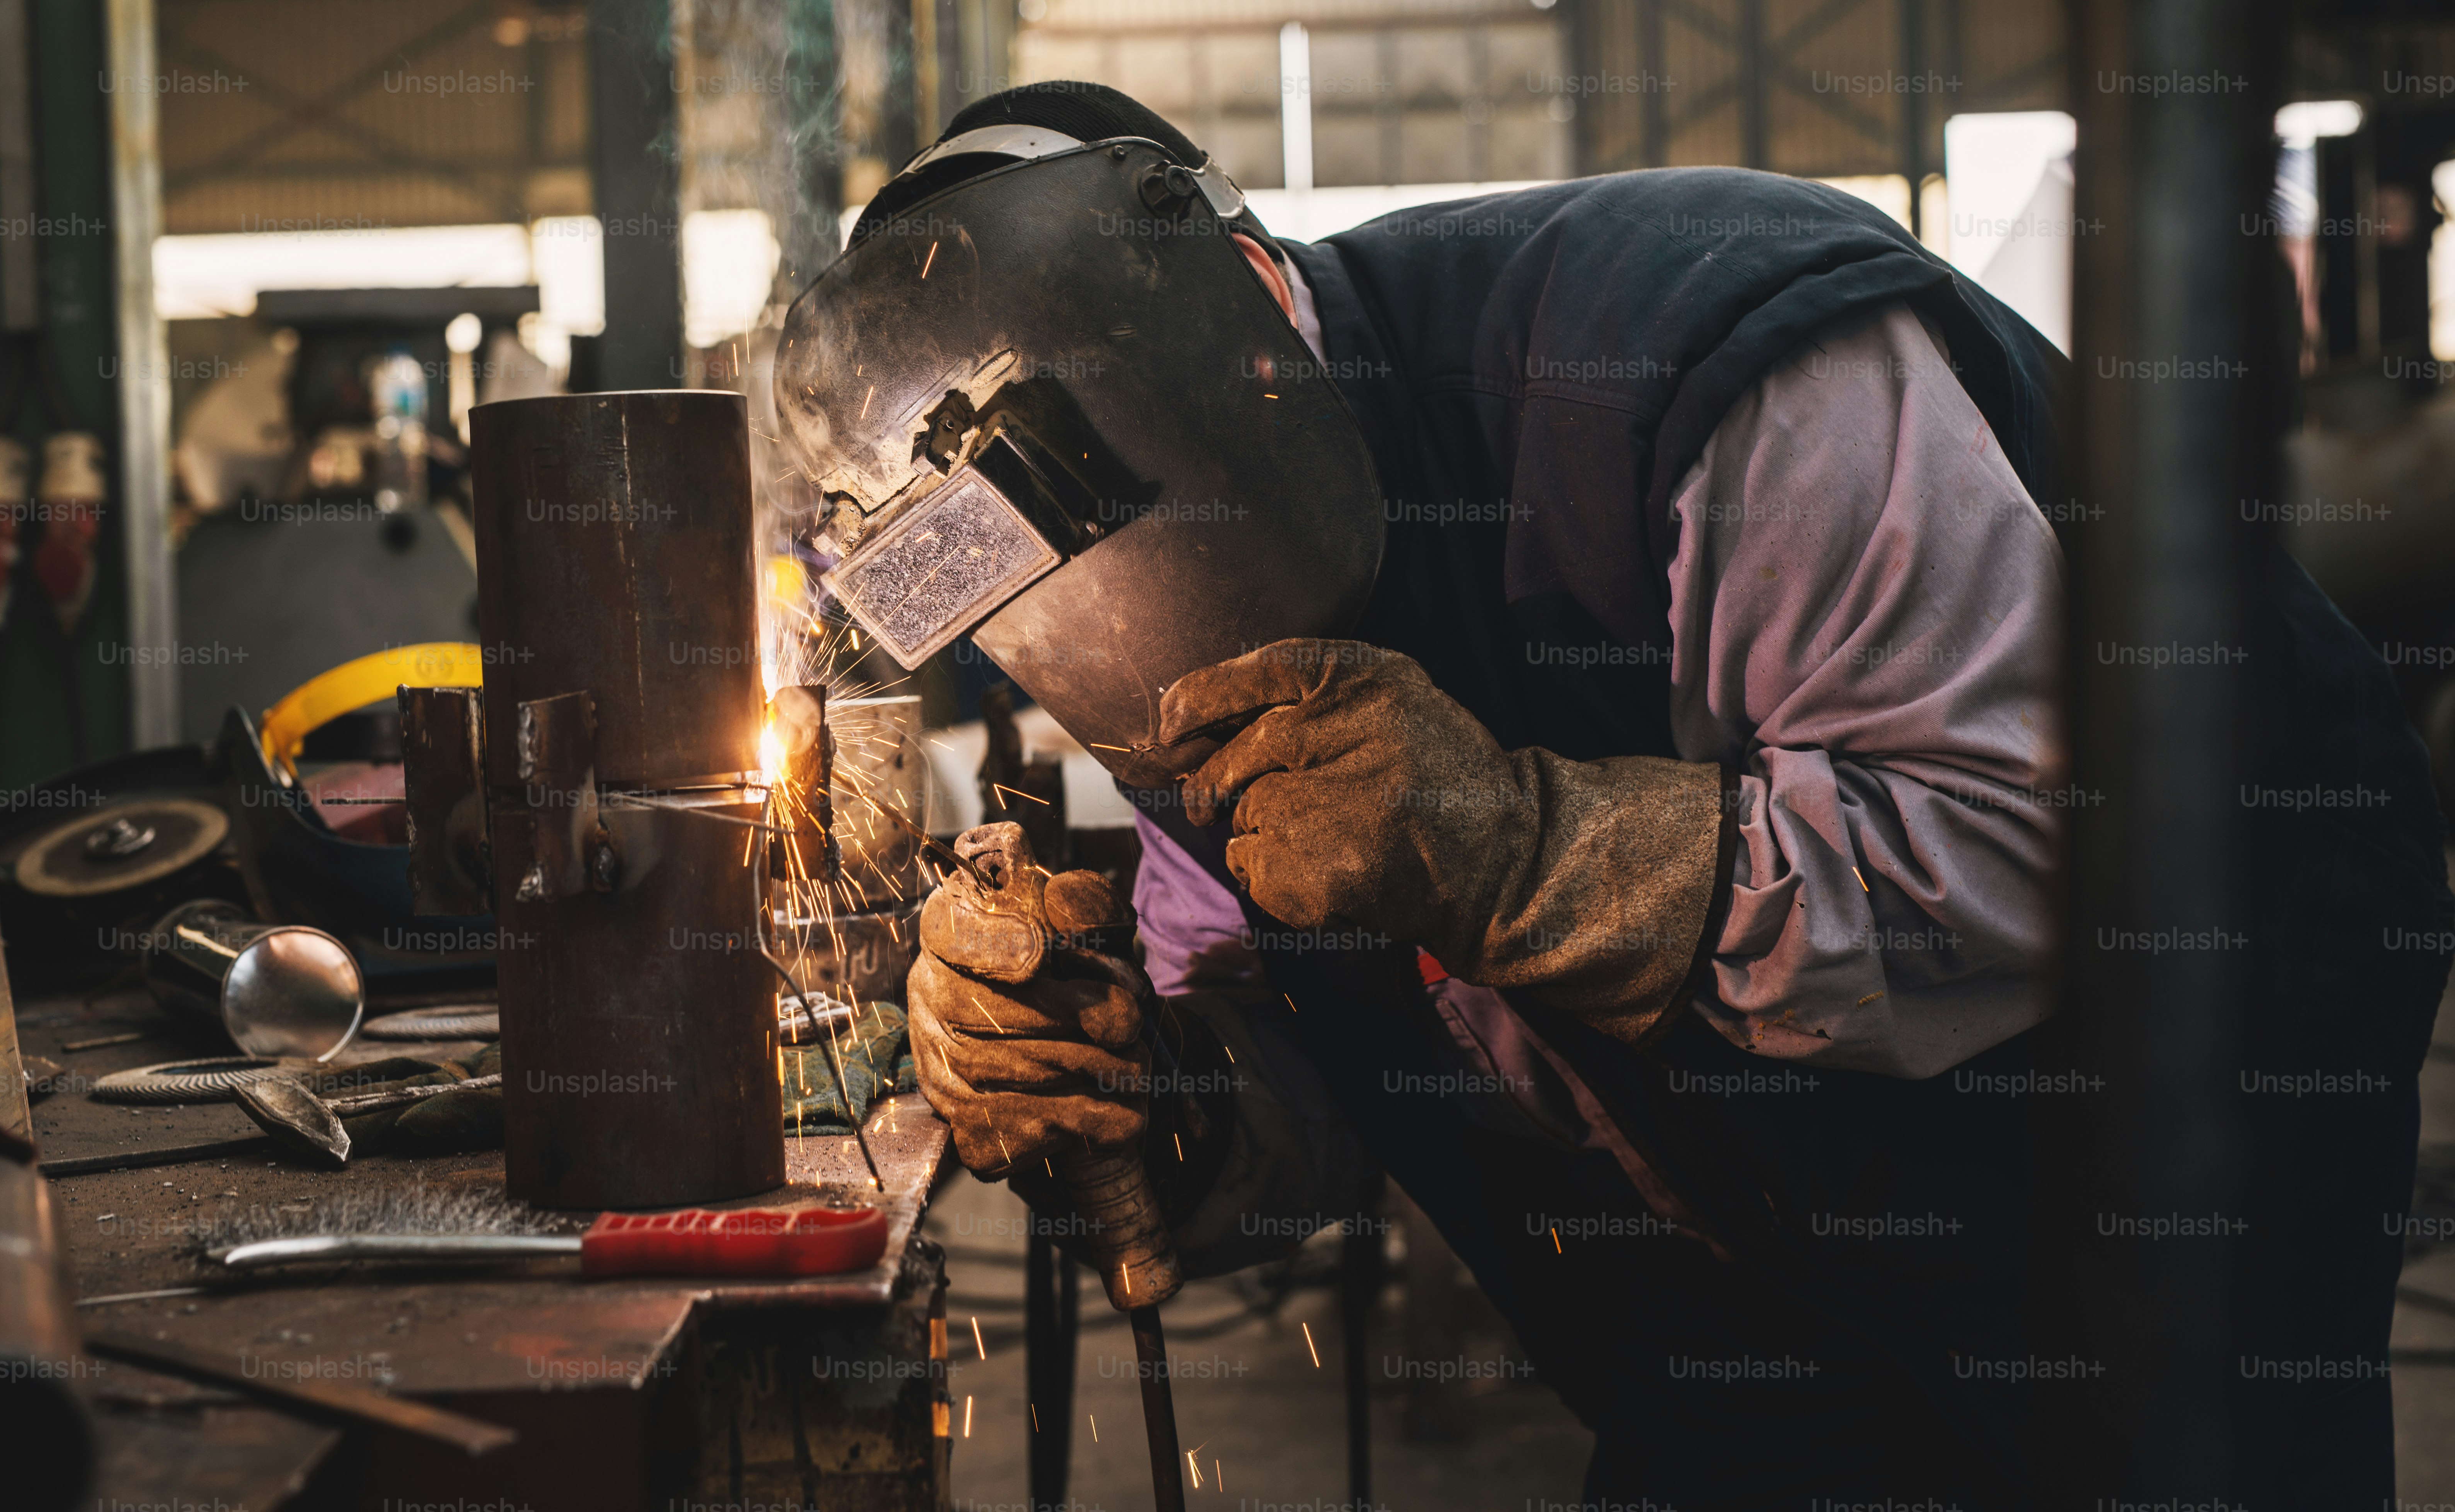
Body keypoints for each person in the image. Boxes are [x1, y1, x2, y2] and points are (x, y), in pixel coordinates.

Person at [773, 81, 2452, 1505]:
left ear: (1246, 299)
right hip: (1732, 1249)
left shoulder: (1687, 353)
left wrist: (1526, 850)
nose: (1187, 740)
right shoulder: (1154, 655)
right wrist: (1148, 1099)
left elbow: (2032, 858)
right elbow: (1310, 1101)